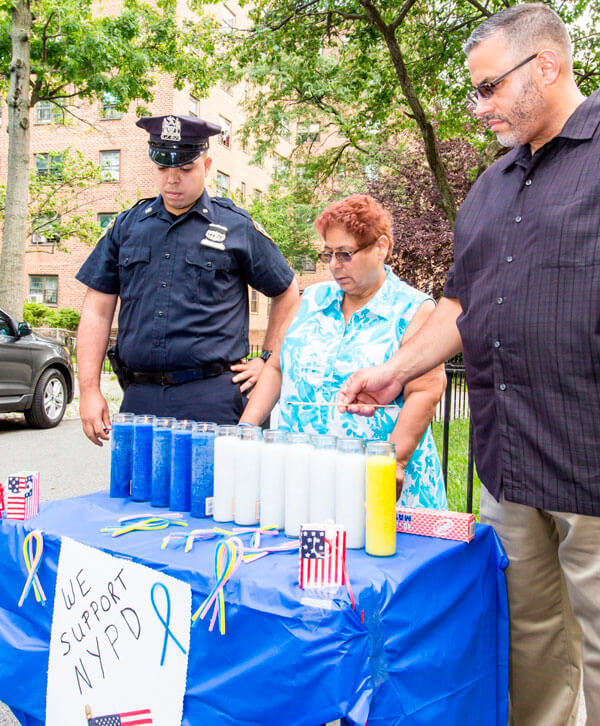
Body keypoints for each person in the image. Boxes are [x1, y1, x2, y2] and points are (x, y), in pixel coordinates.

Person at [338, 5, 600, 724]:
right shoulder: (488, 189)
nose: (477, 107)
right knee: (528, 644)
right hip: (509, 463)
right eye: (473, 92)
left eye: (488, 89)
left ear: (546, 65)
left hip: (591, 461)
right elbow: (461, 307)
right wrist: (395, 370)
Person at [76, 115, 298, 444]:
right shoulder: (128, 226)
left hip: (212, 401)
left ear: (207, 166)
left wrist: (268, 360)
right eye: (163, 168)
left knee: (212, 496)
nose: (172, 180)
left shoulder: (235, 227)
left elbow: (287, 292)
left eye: (185, 169)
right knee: (136, 495)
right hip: (140, 399)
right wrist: (89, 390)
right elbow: (96, 309)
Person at [241, 194, 447, 507]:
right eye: (328, 254)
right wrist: (245, 429)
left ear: (380, 247)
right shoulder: (310, 300)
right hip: (306, 480)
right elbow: (277, 368)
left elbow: (427, 391)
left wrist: (396, 462)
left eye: (345, 254)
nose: (335, 265)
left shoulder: (412, 309)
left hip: (378, 486)